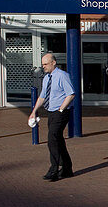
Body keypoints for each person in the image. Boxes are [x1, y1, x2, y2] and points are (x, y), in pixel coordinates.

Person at [29, 52, 76, 181]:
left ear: (53, 63)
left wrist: (61, 109)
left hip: (61, 112)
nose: (43, 66)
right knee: (58, 139)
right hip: (51, 111)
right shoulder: (46, 78)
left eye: (45, 64)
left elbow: (71, 94)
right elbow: (43, 96)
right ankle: (67, 168)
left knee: (52, 138)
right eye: (42, 64)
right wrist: (34, 112)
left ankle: (54, 169)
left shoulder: (62, 76)